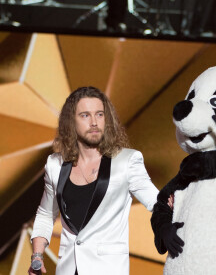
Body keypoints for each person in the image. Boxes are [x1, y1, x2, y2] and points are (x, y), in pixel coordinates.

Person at [28, 86, 159, 275]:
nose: (94, 122)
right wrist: (37, 256)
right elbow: (46, 214)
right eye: (85, 115)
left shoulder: (127, 161)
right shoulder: (55, 164)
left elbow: (156, 202)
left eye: (99, 114)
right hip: (68, 269)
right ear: (71, 122)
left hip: (108, 269)